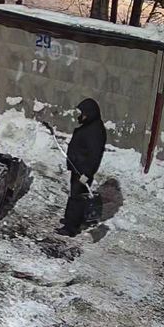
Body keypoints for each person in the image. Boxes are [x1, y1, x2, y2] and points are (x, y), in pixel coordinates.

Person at [59, 98, 107, 236]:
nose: (81, 116)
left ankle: (71, 228)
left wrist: (87, 173)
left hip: (83, 172)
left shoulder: (95, 131)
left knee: (77, 198)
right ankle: (70, 220)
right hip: (77, 168)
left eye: (83, 113)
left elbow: (95, 156)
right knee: (75, 195)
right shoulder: (89, 126)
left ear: (90, 113)